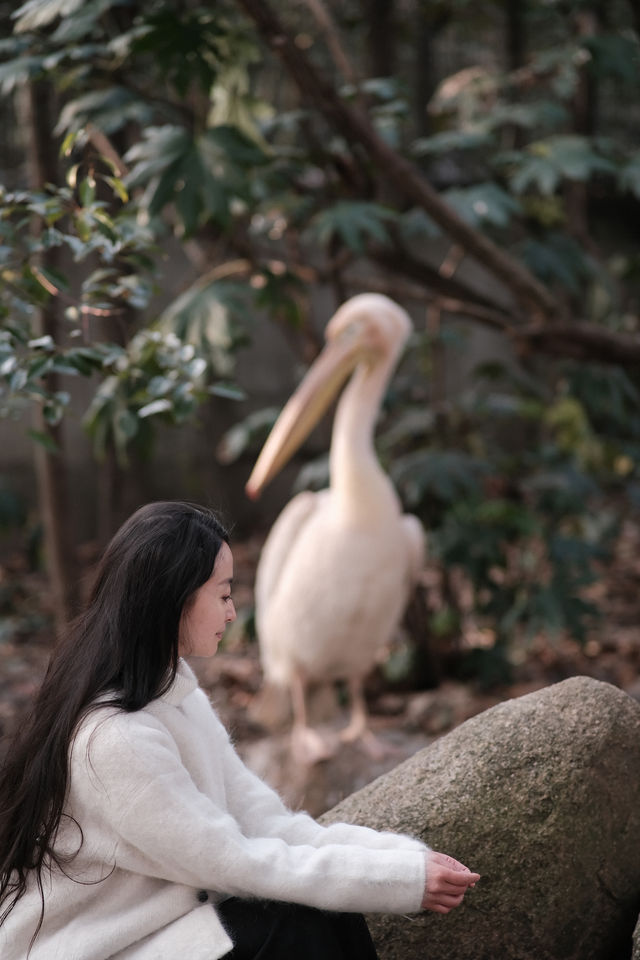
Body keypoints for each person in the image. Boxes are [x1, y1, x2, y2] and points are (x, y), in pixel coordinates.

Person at [0, 500, 479, 960]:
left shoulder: (177, 697)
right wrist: (398, 882)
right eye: (224, 594)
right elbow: (233, 860)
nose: (233, 613)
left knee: (327, 910)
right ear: (174, 600)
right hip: (102, 948)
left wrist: (403, 863)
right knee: (292, 926)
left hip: (165, 926)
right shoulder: (114, 739)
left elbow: (266, 823)